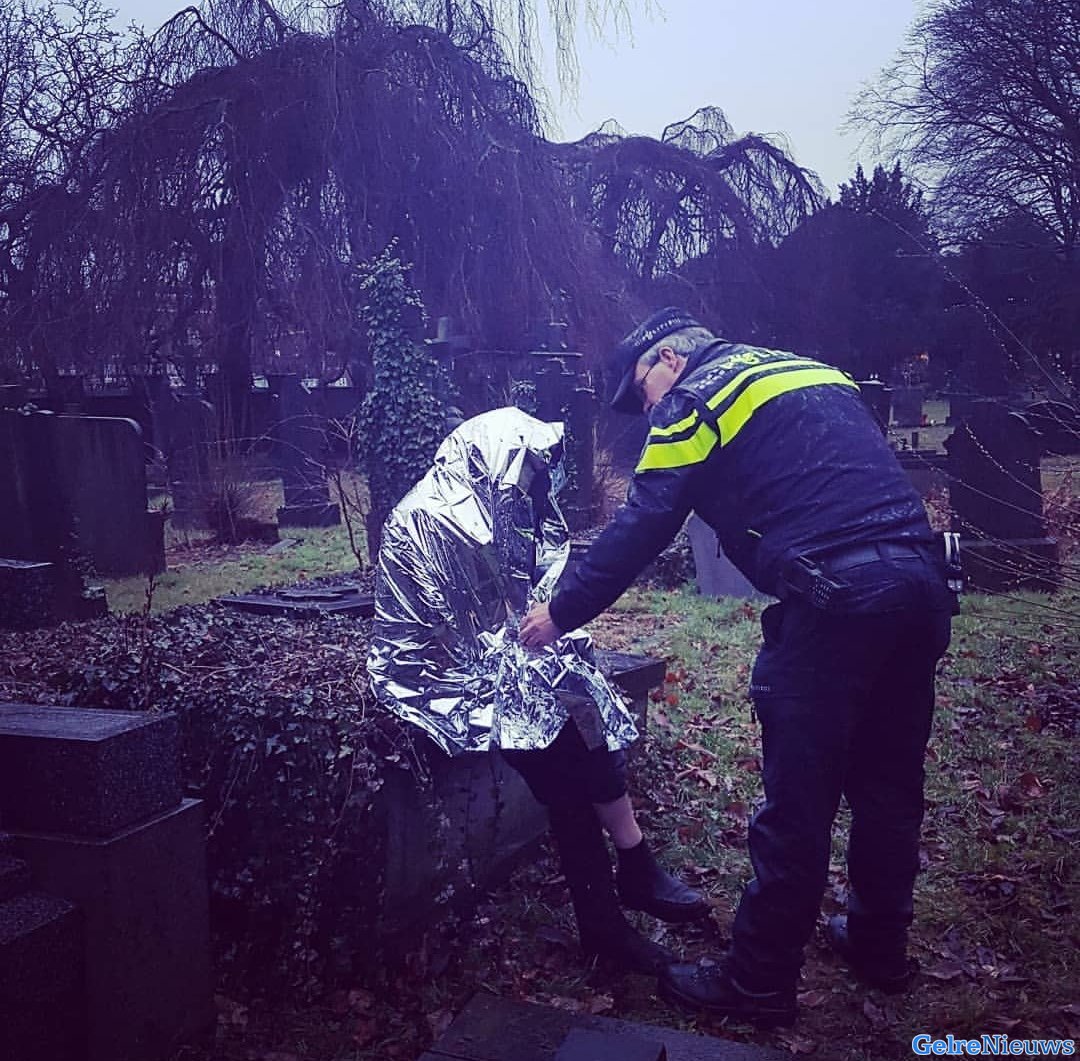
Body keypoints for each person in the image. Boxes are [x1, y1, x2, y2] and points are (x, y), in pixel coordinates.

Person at [520, 308, 955, 1026]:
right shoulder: (804, 368)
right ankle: (880, 944)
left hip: (835, 600)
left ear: (669, 356)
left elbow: (642, 523)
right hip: (919, 586)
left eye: (645, 389)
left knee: (797, 801)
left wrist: (559, 612)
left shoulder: (698, 397)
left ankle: (757, 981)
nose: (651, 408)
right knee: (888, 785)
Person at [367, 407, 708, 980]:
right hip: (442, 678)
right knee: (564, 753)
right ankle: (621, 896)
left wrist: (550, 639)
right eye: (525, 466)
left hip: (506, 658)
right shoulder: (424, 519)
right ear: (496, 459)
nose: (532, 480)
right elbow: (444, 635)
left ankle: (627, 882)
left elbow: (526, 593)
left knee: (586, 705)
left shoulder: (498, 505)